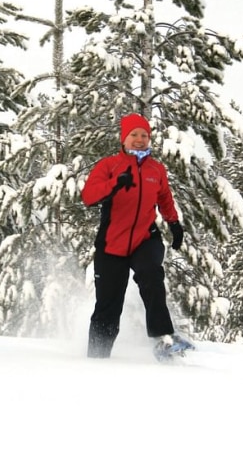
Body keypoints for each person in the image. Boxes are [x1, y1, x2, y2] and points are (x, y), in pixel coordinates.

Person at [80, 112, 192, 359]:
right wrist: (114, 184)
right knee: (108, 308)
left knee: (151, 274)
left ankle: (163, 339)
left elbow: (163, 197)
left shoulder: (156, 169)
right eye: (134, 135)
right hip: (111, 246)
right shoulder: (109, 166)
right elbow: (88, 196)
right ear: (124, 138)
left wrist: (174, 223)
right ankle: (97, 358)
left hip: (145, 238)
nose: (140, 139)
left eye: (144, 135)